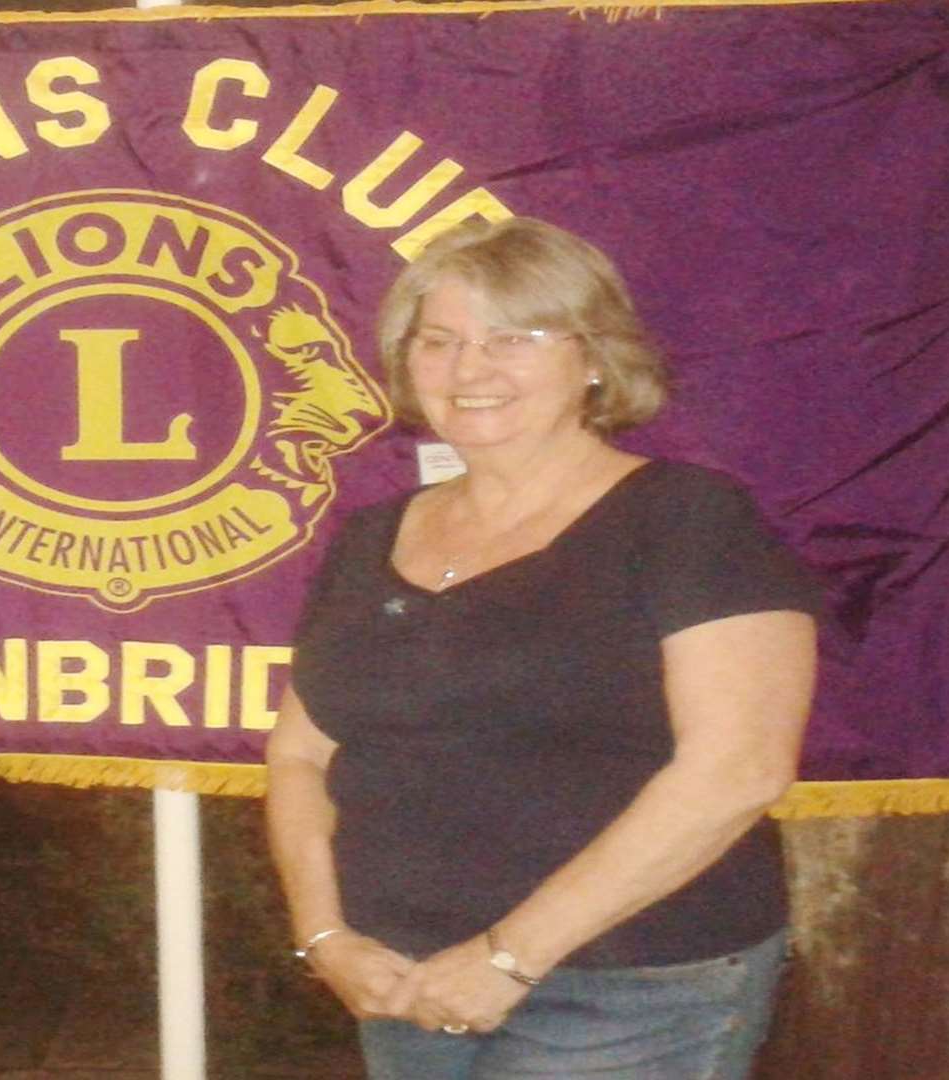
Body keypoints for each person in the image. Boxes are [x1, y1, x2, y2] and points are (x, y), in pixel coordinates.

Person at [266, 217, 819, 1079]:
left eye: (514, 339)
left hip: (630, 986)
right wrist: (325, 935)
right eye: (439, 341)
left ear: (594, 358)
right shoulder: (371, 536)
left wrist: (509, 955)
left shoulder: (687, 520)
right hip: (403, 979)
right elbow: (303, 751)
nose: (470, 370)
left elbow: (739, 770)